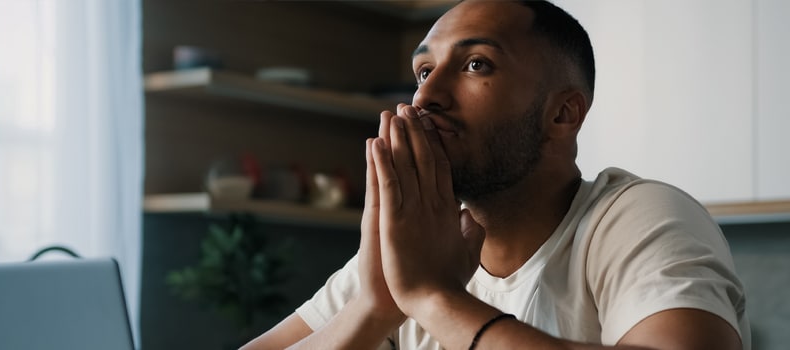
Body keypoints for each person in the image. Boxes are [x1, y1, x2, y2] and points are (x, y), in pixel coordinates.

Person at [242, 0, 750, 349]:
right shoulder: (414, 248)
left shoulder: (635, 216)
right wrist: (375, 306)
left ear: (562, 115)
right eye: (423, 71)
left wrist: (432, 297)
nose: (425, 97)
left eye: (476, 65)